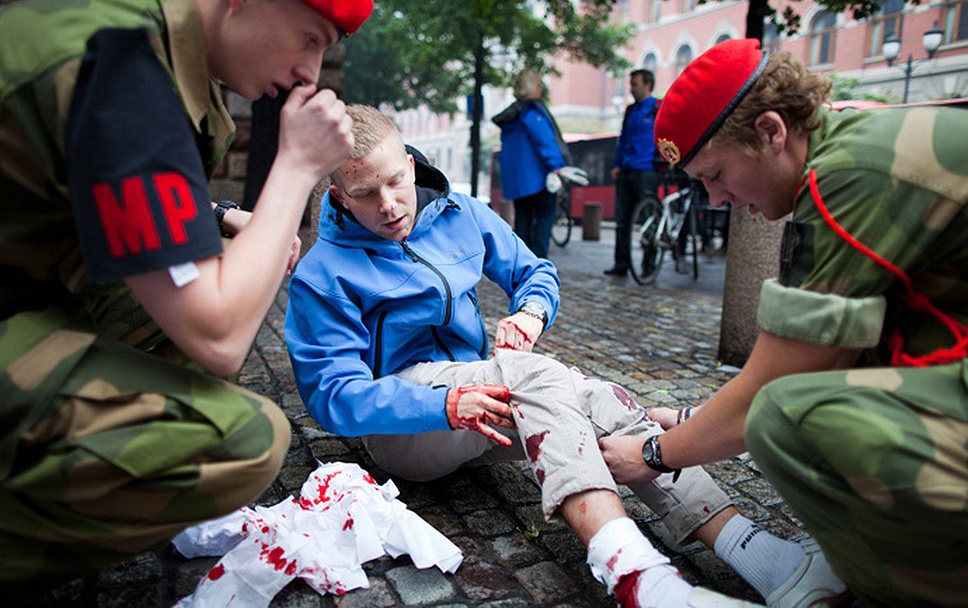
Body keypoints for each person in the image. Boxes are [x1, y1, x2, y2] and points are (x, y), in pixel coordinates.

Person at [285, 104, 847, 607]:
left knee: (598, 402)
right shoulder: (321, 272)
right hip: (405, 431)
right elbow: (332, 396)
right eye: (364, 194)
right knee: (535, 375)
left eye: (394, 182)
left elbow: (536, 273)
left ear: (410, 163)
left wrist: (530, 312)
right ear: (338, 194)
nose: (387, 206)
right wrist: (446, 405)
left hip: (484, 402)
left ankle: (760, 555)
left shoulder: (463, 212)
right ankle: (639, 578)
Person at [0, 0, 372, 582]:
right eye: (311, 38)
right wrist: (297, 167)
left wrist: (227, 218)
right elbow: (219, 335)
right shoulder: (124, 68)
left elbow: (119, 179)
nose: (311, 71)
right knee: (245, 440)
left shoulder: (139, 42)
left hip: (26, 288)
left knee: (214, 278)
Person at [599, 38, 968, 606]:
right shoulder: (846, 146)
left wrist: (652, 454)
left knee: (786, 418)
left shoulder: (844, 178)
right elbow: (837, 349)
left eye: (716, 173)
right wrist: (694, 419)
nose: (715, 199)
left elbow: (774, 388)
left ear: (770, 131)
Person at [492, 70, 569, 259]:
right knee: (543, 221)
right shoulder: (532, 113)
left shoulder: (512, 116)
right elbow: (546, 142)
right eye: (539, 84)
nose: (541, 88)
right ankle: (538, 270)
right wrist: (557, 166)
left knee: (523, 224)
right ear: (532, 87)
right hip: (538, 179)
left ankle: (522, 267)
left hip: (518, 182)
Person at [604, 69, 663, 278]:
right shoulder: (631, 110)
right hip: (626, 170)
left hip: (647, 171)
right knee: (622, 220)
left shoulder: (657, 109)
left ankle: (649, 264)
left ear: (647, 84)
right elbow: (623, 139)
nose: (631, 88)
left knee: (649, 220)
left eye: (635, 84)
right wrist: (617, 164)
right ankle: (621, 264)